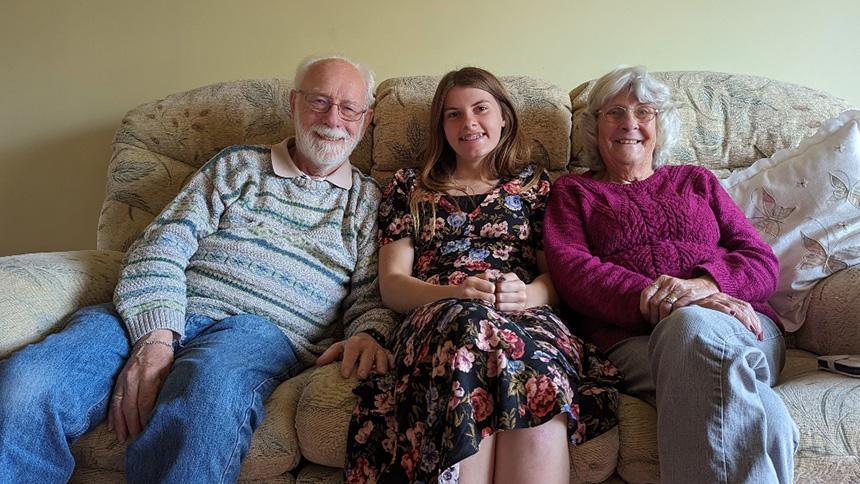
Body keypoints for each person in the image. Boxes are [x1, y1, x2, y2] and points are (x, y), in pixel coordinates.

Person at [0, 55, 396, 483]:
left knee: (206, 400)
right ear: (294, 103)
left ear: (366, 118)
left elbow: (372, 295)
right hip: (168, 305)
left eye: (348, 107)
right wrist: (156, 337)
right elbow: (161, 244)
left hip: (258, 332)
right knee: (28, 385)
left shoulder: (368, 203)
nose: (332, 118)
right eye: (319, 101)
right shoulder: (236, 166)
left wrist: (369, 335)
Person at [345, 67, 620, 484]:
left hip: (525, 316)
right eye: (453, 114)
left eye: (480, 109)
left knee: (531, 366)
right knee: (469, 324)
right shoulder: (408, 187)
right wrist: (453, 291)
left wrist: (527, 294)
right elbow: (393, 285)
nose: (468, 123)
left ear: (504, 117)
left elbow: (558, 278)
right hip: (438, 315)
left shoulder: (536, 186)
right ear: (441, 126)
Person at [543, 65, 799, 484]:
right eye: (615, 113)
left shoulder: (696, 180)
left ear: (661, 126)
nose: (630, 123)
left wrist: (705, 285)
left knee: (697, 331)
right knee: (764, 412)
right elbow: (575, 273)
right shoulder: (575, 192)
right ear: (594, 127)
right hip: (635, 339)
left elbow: (761, 260)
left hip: (742, 325)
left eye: (645, 112)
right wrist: (674, 300)